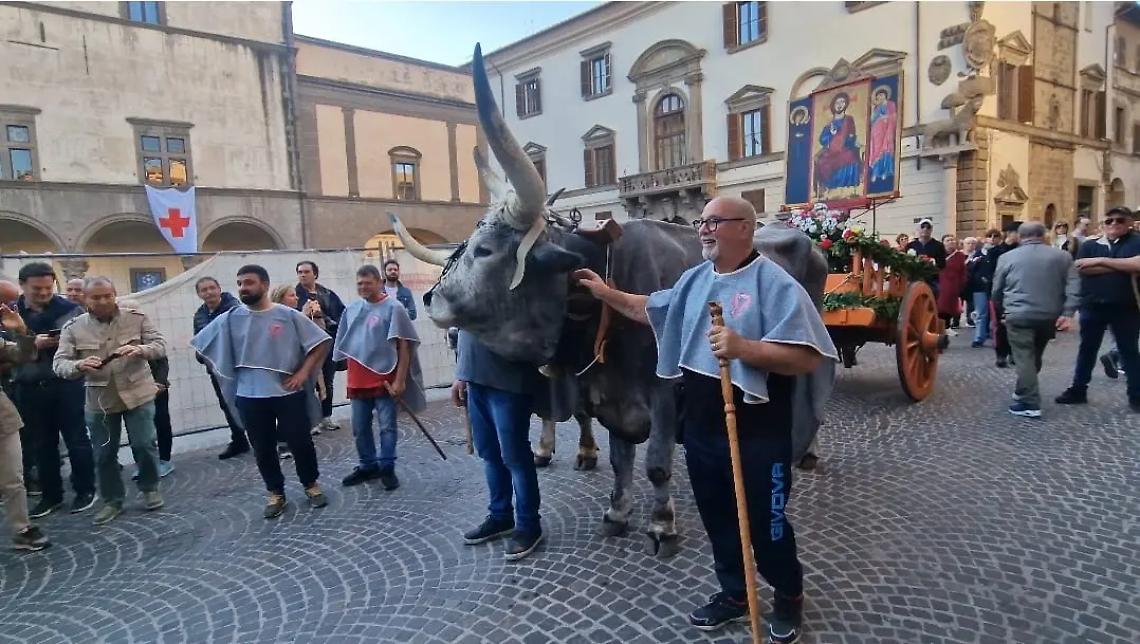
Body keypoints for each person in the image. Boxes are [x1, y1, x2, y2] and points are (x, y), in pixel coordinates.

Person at [577, 197, 838, 643]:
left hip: (758, 434)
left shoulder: (775, 284)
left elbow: (807, 357)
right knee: (719, 519)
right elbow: (651, 308)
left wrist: (746, 349)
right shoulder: (695, 280)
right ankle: (735, 594)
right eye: (702, 221)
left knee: (767, 526)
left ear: (744, 228)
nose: (703, 229)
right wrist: (606, 294)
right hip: (702, 431)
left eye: (714, 222)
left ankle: (788, 597)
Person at [193, 265, 332, 518]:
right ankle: (275, 493)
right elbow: (201, 345)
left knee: (301, 442)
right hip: (249, 396)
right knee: (262, 446)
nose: (243, 287)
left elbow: (321, 342)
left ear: (265, 285)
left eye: (249, 282)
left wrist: (302, 373)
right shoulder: (231, 317)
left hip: (287, 394)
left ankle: (311, 485)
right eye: (240, 283)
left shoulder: (287, 315)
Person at [53, 278, 167, 525]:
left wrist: (142, 351)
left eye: (107, 295)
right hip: (100, 401)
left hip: (138, 393)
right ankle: (112, 500)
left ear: (115, 293)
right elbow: (59, 363)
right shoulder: (72, 328)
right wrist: (78, 365)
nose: (103, 301)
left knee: (144, 444)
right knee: (104, 454)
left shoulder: (136, 317)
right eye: (96, 297)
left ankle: (150, 488)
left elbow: (159, 345)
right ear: (85, 298)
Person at [452, 328, 544, 561]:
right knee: (490, 454)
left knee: (515, 456)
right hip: (475, 380)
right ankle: (501, 515)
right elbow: (465, 328)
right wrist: (461, 373)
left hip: (509, 382)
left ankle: (529, 525)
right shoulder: (469, 290)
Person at [12, 262, 95, 519]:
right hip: (29, 386)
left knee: (77, 439)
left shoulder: (70, 310)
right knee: (42, 444)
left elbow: (88, 341)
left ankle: (85, 490)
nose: (44, 293)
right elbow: (5, 346)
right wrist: (30, 343)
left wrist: (64, 343)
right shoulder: (10, 312)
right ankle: (51, 496)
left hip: (65, 384)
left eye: (49, 288)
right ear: (23, 285)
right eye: (38, 288)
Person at [334, 265, 424, 490]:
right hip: (358, 378)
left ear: (379, 283)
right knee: (359, 426)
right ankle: (367, 465)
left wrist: (400, 380)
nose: (363, 287)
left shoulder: (394, 308)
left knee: (387, 426)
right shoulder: (352, 309)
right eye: (359, 283)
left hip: (385, 378)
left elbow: (404, 346)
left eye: (368, 283)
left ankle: (387, 467)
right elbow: (345, 342)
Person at [990, 222, 1080, 418]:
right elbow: (1074, 286)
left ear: (1020, 236)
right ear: (1044, 235)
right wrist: (1067, 313)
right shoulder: (1062, 257)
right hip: (1049, 315)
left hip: (1018, 313)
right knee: (1034, 355)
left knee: (1023, 357)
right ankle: (1023, 391)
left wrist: (1001, 311)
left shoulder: (1007, 257)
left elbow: (996, 290)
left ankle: (1029, 402)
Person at [1056, 207, 1140, 411]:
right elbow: (1082, 268)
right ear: (1102, 223)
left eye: (1119, 220)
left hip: (1126, 307)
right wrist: (1122, 265)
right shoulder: (1091, 244)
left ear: (1129, 222)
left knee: (1129, 352)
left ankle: (1136, 395)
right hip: (1092, 305)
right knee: (1087, 349)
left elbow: (1137, 265)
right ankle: (1078, 389)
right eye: (1109, 221)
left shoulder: (1136, 241)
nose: (1113, 224)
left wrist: (1101, 261)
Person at [0, 302, 51, 551]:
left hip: (2, 417)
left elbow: (24, 355)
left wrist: (21, 331)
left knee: (13, 478)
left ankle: (22, 529)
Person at [193, 277, 248, 460]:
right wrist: (201, 357)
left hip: (238, 366)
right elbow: (199, 340)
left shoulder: (234, 309)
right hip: (216, 369)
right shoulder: (199, 315)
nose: (208, 292)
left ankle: (262, 438)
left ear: (219, 288)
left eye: (211, 288)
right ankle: (239, 439)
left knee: (249, 403)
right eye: (203, 290)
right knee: (227, 405)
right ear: (199, 294)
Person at [270, 284, 327, 457]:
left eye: (295, 295)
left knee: (303, 406)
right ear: (280, 299)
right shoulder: (276, 319)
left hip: (303, 369)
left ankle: (299, 440)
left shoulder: (297, 316)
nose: (295, 298)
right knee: (287, 408)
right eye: (291, 295)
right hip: (285, 370)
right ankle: (283, 443)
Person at [295, 261, 345, 434]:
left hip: (327, 343)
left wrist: (326, 319)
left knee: (328, 382)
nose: (303, 275)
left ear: (315, 274)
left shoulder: (327, 294)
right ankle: (311, 420)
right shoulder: (295, 295)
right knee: (309, 383)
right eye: (300, 272)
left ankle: (326, 416)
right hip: (306, 347)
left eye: (306, 271)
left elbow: (342, 313)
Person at [987, 222, 1022, 367]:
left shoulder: (1023, 250)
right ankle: (1001, 354)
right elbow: (992, 273)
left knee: (1018, 325)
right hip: (1001, 292)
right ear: (1010, 233)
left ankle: (1014, 353)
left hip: (1018, 290)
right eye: (1018, 233)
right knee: (1000, 326)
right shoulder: (995, 251)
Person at [938, 235, 966, 334]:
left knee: (950, 307)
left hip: (954, 284)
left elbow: (963, 271)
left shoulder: (960, 255)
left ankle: (947, 326)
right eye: (948, 240)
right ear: (943, 243)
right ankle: (941, 327)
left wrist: (962, 284)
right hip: (941, 284)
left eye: (952, 240)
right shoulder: (938, 254)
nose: (951, 242)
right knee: (940, 307)